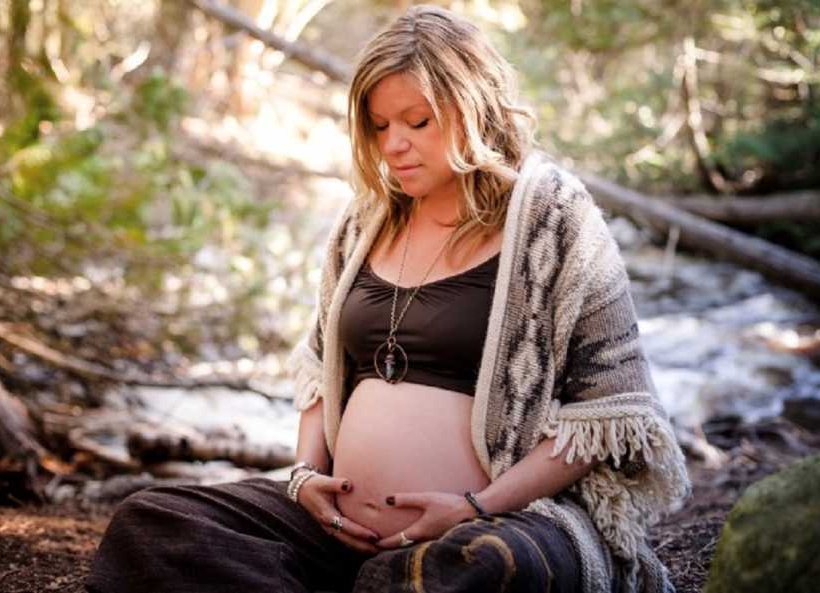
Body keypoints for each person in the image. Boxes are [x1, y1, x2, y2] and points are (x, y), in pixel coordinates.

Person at [86, 5, 690, 593]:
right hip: (336, 530)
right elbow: (321, 369)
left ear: (473, 108)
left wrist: (473, 507)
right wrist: (302, 479)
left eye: (417, 122)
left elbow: (608, 413)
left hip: (493, 524)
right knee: (153, 524)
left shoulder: (554, 218)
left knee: (491, 566)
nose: (394, 145)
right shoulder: (365, 222)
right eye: (380, 126)